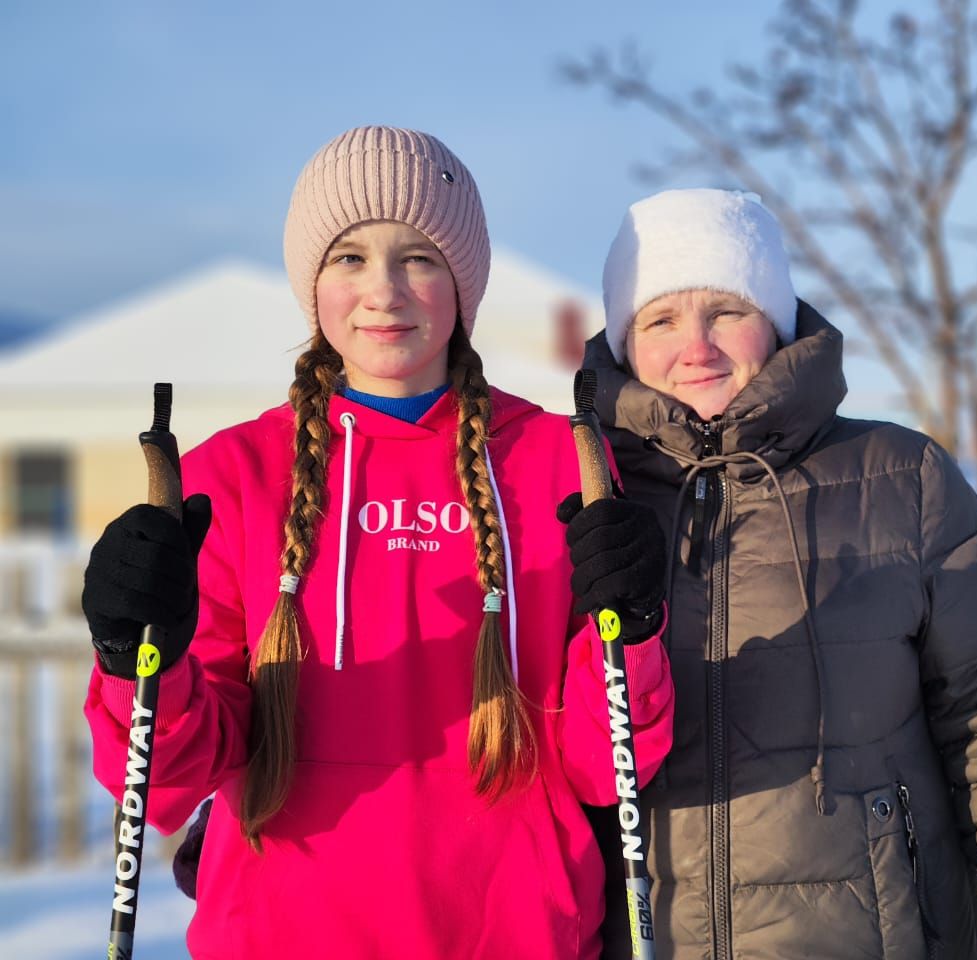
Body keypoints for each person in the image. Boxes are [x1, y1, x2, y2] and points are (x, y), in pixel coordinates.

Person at [80, 126, 674, 959]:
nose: (383, 291)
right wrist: (133, 651)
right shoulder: (237, 474)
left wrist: (635, 630)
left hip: (511, 932)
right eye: (349, 257)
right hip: (284, 933)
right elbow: (169, 778)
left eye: (420, 258)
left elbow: (608, 767)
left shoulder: (554, 464)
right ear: (310, 282)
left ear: (464, 283)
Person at [576, 188, 977, 960]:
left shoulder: (902, 477)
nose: (696, 347)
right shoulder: (586, 501)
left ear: (778, 318)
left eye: (725, 310)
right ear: (624, 343)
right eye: (659, 319)